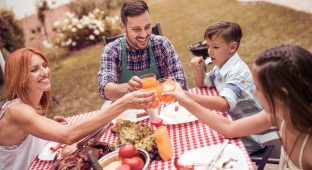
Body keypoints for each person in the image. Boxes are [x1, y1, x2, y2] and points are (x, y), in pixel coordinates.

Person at [0, 48, 156, 169]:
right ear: (19, 79)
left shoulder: (34, 102)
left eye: (44, 65)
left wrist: (46, 125)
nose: (44, 72)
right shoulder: (16, 111)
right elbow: (68, 135)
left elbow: (27, 131)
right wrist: (123, 103)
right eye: (34, 70)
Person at [165, 44, 312, 169]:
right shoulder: (279, 113)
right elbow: (229, 128)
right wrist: (184, 99)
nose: (254, 92)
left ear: (281, 95)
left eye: (259, 88)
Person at [189, 21, 263, 153]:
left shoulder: (237, 72)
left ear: (232, 47)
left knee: (205, 148)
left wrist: (187, 97)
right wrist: (200, 67)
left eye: (215, 47)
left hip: (251, 136)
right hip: (234, 124)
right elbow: (203, 83)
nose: (209, 52)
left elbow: (224, 104)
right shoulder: (221, 65)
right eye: (208, 46)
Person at [98, 0, 187, 102]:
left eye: (147, 27)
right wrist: (128, 88)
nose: (144, 35)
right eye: (136, 29)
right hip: (127, 113)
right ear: (123, 27)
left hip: (162, 107)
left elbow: (180, 82)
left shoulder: (162, 44)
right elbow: (105, 89)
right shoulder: (111, 50)